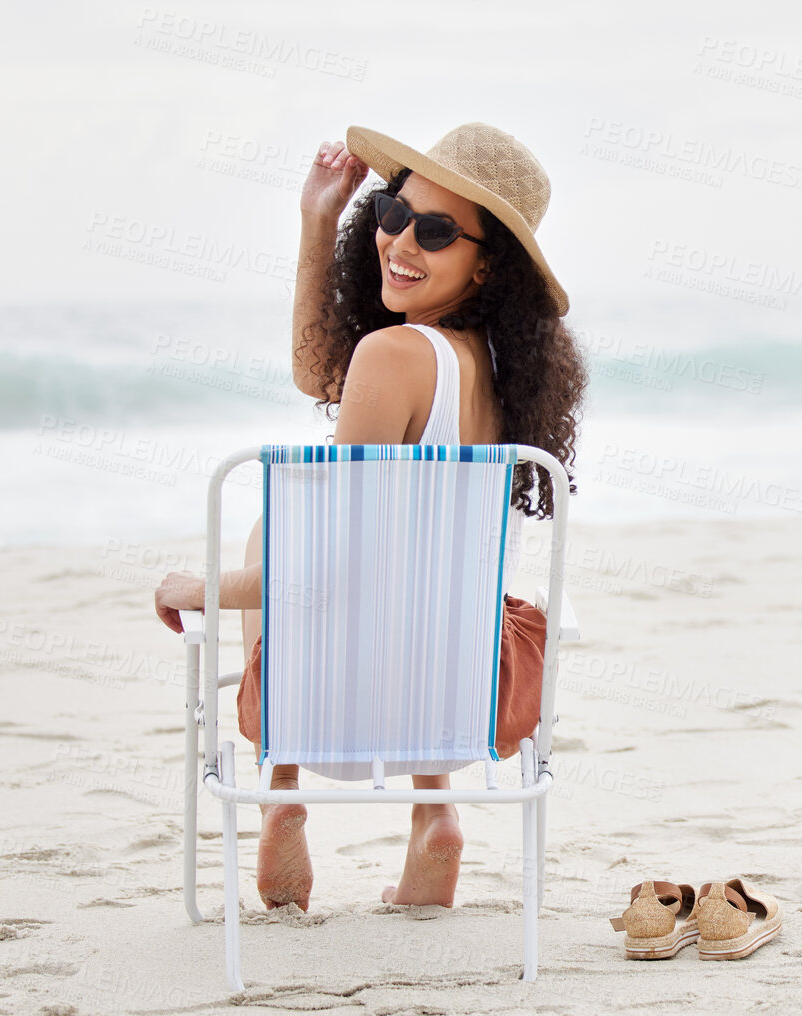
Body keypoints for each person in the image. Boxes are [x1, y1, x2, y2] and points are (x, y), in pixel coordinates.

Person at [151, 123, 588, 911]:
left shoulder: (393, 356)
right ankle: (435, 807)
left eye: (436, 231)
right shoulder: (490, 367)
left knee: (270, 535)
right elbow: (318, 372)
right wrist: (321, 220)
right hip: (459, 696)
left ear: (485, 263)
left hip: (337, 697)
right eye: (392, 211)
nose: (399, 240)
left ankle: (280, 788)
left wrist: (202, 587)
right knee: (421, 582)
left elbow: (326, 561)